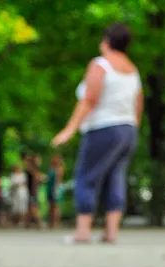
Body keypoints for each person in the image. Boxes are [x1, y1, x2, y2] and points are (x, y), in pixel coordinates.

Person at [52, 23, 142, 244]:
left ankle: (82, 231)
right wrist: (132, 128)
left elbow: (90, 99)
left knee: (86, 176)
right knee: (116, 177)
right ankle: (111, 232)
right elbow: (138, 103)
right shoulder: (132, 70)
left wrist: (69, 130)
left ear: (106, 41)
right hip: (127, 129)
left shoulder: (100, 65)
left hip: (103, 128)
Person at [24, 154, 43, 228]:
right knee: (33, 207)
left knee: (31, 208)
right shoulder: (31, 170)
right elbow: (34, 181)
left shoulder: (33, 170)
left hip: (32, 191)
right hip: (32, 191)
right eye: (38, 160)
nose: (39, 161)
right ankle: (39, 223)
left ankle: (27, 224)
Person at [46, 154, 65, 229]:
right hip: (50, 188)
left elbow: (59, 179)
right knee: (50, 206)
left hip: (56, 188)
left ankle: (56, 223)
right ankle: (50, 222)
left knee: (55, 206)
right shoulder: (51, 168)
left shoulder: (60, 168)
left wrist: (56, 189)